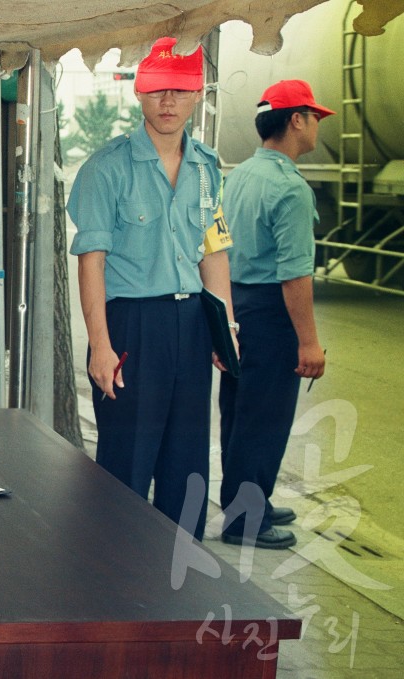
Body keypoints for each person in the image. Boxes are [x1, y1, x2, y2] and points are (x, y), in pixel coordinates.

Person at [67, 37, 237, 541]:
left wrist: (225, 328)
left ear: (197, 95)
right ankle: (115, 579)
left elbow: (214, 253)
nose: (169, 102)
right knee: (127, 459)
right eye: (158, 90)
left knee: (188, 461)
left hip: (192, 325)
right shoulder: (107, 167)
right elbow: (91, 261)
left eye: (180, 91)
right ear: (139, 94)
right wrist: (100, 344)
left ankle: (180, 584)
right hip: (133, 327)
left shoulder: (207, 167)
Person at [218, 80, 331, 550]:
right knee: (265, 417)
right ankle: (246, 520)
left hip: (236, 303)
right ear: (296, 119)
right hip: (270, 310)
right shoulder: (290, 188)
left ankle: (247, 501)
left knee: (239, 412)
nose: (317, 126)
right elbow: (295, 276)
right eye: (315, 116)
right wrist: (308, 342)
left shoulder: (240, 175)